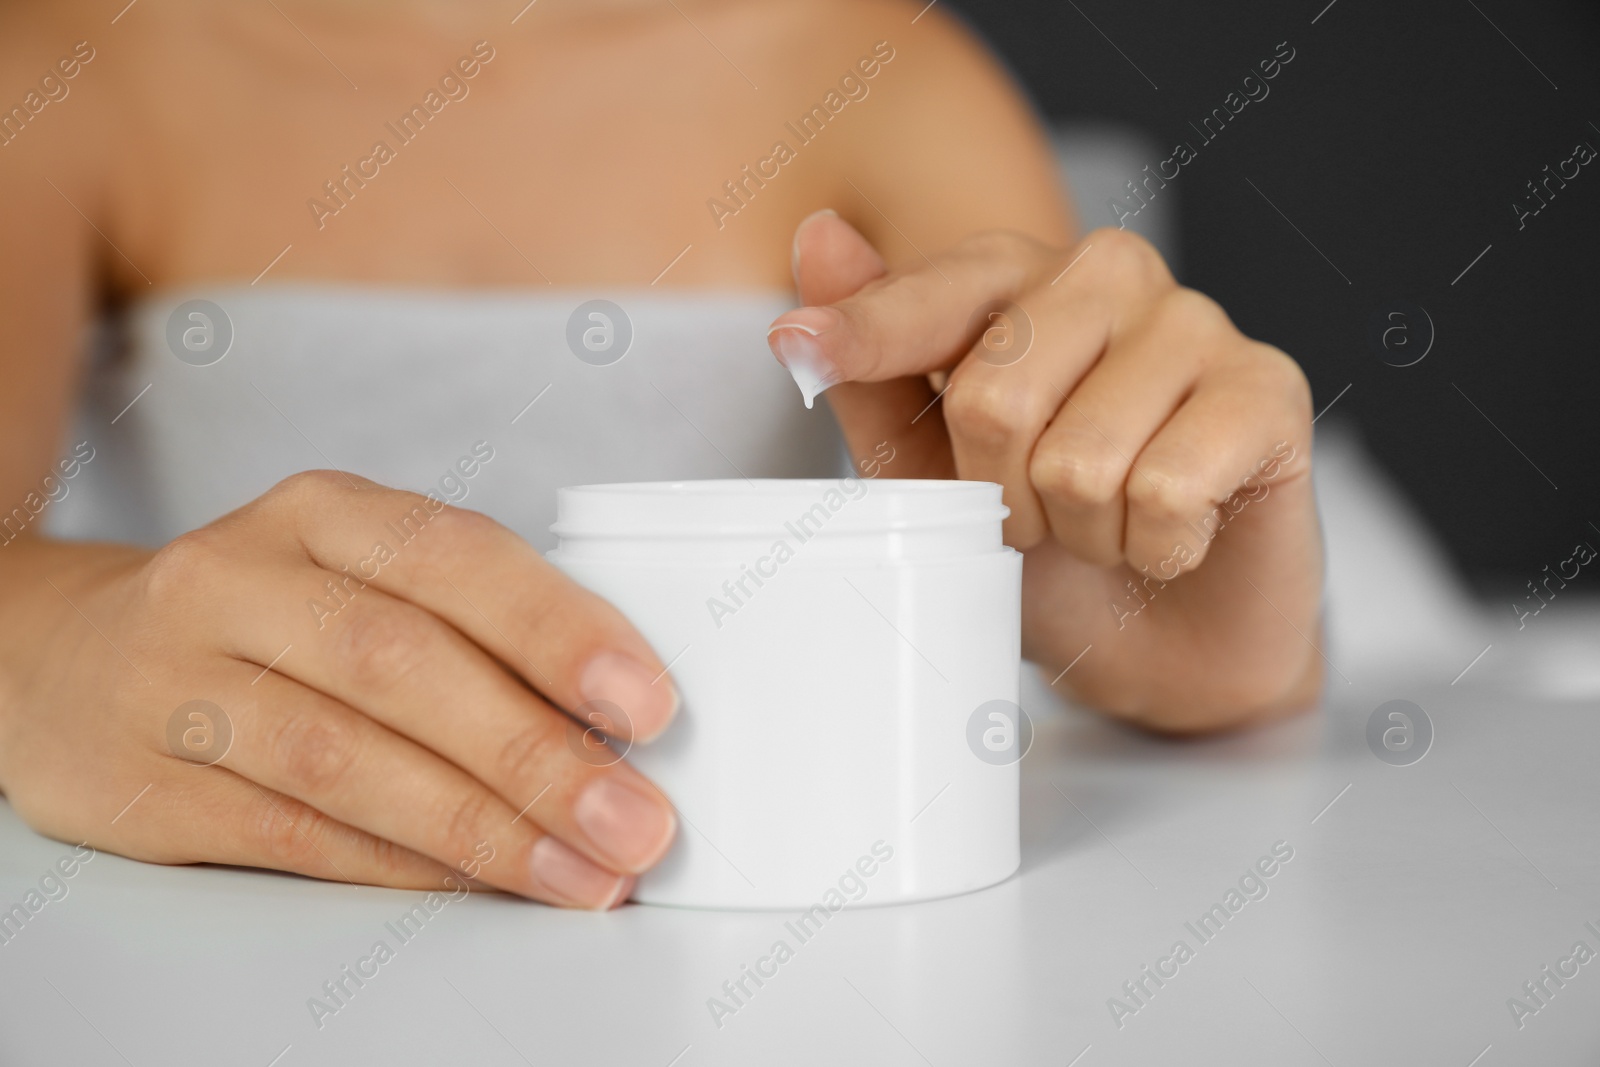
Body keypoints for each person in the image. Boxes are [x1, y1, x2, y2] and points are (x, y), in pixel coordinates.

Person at [0, 0, 1323, 910]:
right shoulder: (72, 59)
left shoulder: (877, 65)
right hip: (247, 944)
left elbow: (1059, 524)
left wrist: (1174, 618)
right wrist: (51, 649)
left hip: (750, 930)